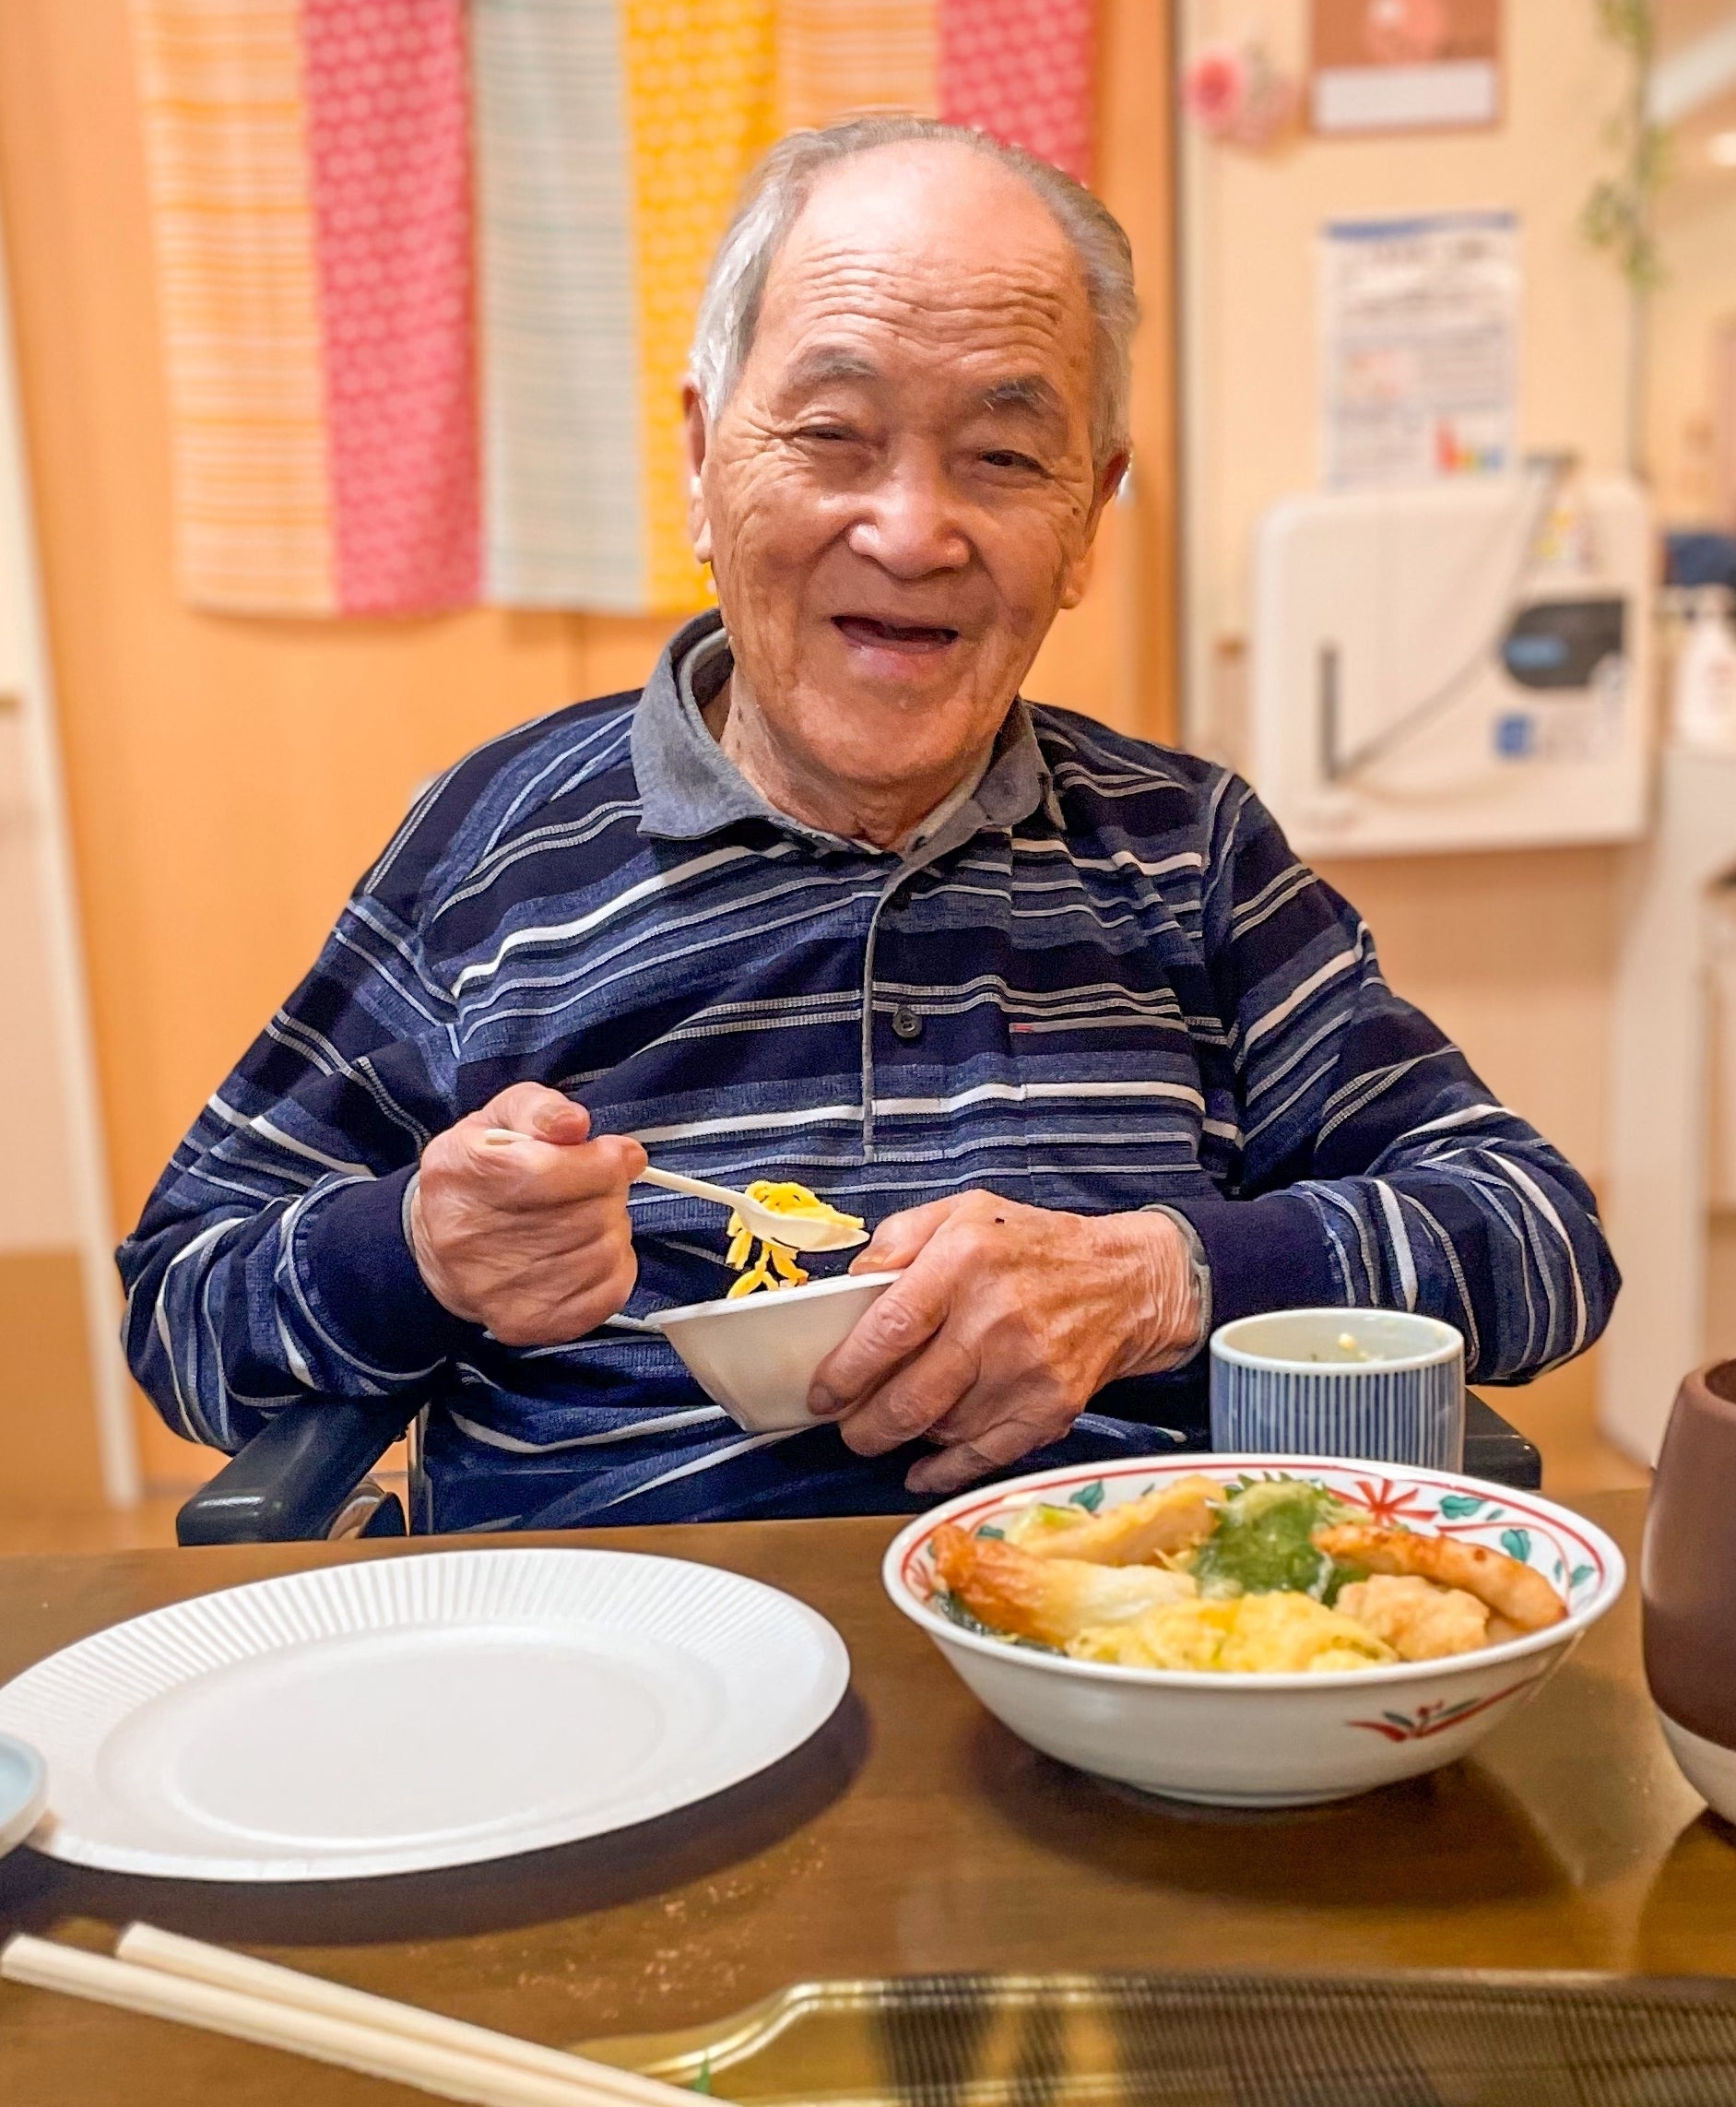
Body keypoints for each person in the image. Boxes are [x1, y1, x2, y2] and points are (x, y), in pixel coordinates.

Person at [119, 117, 1618, 1530]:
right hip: (610, 1642)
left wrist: (1162, 1277)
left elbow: (1539, 1236)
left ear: (1087, 520)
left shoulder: (1187, 853)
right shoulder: (493, 844)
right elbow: (181, 1300)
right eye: (834, 433)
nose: (910, 531)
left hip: (1116, 1635)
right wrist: (415, 1253)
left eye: (1003, 457)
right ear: (703, 461)